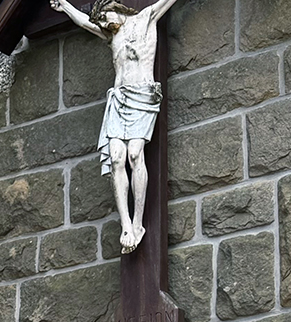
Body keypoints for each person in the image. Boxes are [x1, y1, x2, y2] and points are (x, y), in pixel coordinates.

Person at [50, 0, 189, 254]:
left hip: (142, 96)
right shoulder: (109, 33)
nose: (103, 24)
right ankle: (126, 225)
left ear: (114, 7)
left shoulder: (146, 18)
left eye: (104, 17)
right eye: (101, 22)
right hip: (119, 99)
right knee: (116, 158)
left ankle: (138, 223)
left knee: (135, 153)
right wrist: (65, 6)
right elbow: (83, 21)